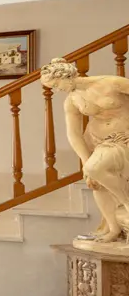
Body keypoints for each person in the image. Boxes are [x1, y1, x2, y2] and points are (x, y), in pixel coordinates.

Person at [42, 57, 129, 242]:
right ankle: (113, 228)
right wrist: (84, 159)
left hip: (124, 137)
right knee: (94, 179)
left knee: (94, 169)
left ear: (65, 75)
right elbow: (73, 134)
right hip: (99, 140)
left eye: (56, 84)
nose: (57, 90)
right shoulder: (72, 101)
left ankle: (127, 204)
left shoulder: (112, 83)